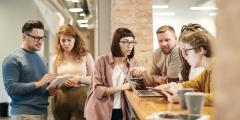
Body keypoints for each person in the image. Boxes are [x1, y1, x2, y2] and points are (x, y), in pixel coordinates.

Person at [2, 20, 55, 120]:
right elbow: (11, 89)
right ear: (24, 36)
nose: (40, 41)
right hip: (24, 114)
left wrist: (51, 90)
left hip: (43, 113)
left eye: (42, 38)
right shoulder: (12, 59)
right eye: (36, 38)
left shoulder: (42, 59)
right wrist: (39, 83)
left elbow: (41, 89)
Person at [155, 23, 215, 106]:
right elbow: (192, 85)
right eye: (181, 51)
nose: (183, 55)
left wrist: (184, 98)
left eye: (186, 51)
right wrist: (168, 87)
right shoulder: (208, 71)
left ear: (201, 49)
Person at [84, 28, 138, 120]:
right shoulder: (101, 60)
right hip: (100, 109)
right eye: (125, 42)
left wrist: (142, 73)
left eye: (132, 42)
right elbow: (97, 90)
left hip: (122, 109)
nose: (130, 46)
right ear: (116, 43)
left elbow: (137, 85)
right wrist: (123, 87)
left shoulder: (133, 63)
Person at [50, 24, 95, 120]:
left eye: (69, 40)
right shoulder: (55, 58)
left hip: (81, 100)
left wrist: (79, 79)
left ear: (75, 39)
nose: (66, 43)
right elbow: (51, 81)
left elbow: (95, 79)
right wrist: (61, 80)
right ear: (59, 41)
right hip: (60, 100)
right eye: (63, 40)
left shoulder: (86, 56)